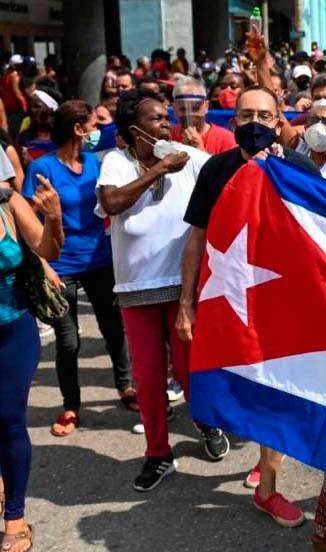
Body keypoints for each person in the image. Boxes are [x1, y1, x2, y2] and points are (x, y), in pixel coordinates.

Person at [177, 82, 318, 527]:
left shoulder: (297, 168)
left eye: (264, 116)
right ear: (232, 121)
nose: (254, 124)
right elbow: (196, 236)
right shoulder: (215, 169)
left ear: (280, 122)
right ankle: (259, 449)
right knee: (235, 381)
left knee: (274, 387)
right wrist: (186, 304)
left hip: (281, 300)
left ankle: (267, 485)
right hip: (229, 297)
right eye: (245, 116)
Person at [96, 89, 223, 489]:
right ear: (134, 131)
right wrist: (158, 169)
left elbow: (231, 171)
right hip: (135, 289)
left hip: (182, 287)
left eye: (167, 118)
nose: (166, 124)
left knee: (189, 372)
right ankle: (158, 454)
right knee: (149, 378)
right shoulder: (116, 162)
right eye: (156, 119)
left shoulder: (190, 159)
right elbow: (112, 203)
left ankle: (206, 424)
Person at [21, 100, 137, 437]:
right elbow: (29, 222)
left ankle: (126, 386)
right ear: (77, 128)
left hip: (99, 260)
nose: (96, 131)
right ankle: (71, 405)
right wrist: (43, 266)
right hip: (61, 265)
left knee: (114, 330)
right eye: (92, 124)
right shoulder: (42, 169)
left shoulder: (94, 164)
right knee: (68, 341)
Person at [0, 173, 64, 552]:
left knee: (8, 418)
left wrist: (54, 218)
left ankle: (15, 518)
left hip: (13, 329)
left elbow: (49, 249)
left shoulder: (8, 203)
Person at [170, 77, 237, 155]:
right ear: (174, 108)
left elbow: (230, 167)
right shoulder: (169, 135)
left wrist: (200, 150)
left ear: (206, 106)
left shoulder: (226, 139)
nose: (190, 114)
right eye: (183, 109)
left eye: (195, 109)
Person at [2, 55, 27, 135]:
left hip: (9, 109)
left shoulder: (6, 75)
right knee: (18, 133)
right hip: (16, 109)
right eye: (20, 64)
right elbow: (16, 92)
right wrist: (24, 105)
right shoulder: (14, 75)